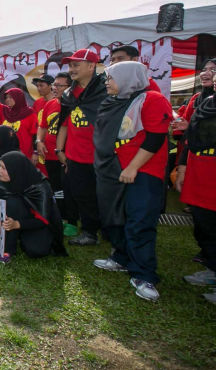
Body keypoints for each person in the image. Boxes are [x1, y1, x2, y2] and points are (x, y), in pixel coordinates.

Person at [92, 62, 171, 302]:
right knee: (115, 216)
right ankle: (121, 257)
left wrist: (133, 167)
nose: (107, 83)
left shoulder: (152, 100)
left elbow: (156, 138)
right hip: (113, 170)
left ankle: (144, 274)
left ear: (127, 78)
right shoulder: (113, 102)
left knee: (139, 221)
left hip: (142, 171)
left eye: (111, 78)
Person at [55, 49, 108, 246]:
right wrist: (60, 150)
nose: (72, 69)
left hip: (102, 155)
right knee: (82, 195)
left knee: (106, 196)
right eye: (70, 65)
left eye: (76, 65)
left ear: (91, 66)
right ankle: (89, 232)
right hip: (75, 155)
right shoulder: (68, 94)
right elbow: (63, 124)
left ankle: (110, 230)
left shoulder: (106, 89)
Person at [175, 75, 216, 304]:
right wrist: (182, 167)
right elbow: (191, 139)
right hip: (200, 168)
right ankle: (212, 269)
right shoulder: (207, 102)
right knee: (203, 223)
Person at [0, 151, 67, 263]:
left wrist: (17, 224)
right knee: (13, 202)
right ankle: (9, 248)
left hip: (36, 222)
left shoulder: (40, 187)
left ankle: (22, 235)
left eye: (4, 168)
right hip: (16, 215)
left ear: (16, 170)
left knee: (37, 251)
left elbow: (43, 220)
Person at [35, 72, 78, 235]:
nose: (55, 88)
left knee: (70, 187)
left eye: (59, 85)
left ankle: (72, 220)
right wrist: (39, 141)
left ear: (70, 87)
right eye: (54, 85)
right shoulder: (50, 104)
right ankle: (60, 217)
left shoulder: (73, 105)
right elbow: (42, 126)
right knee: (56, 188)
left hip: (67, 155)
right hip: (49, 154)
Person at [0, 87, 38, 158]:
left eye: (11, 97)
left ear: (19, 98)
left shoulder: (29, 113)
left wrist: (35, 152)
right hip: (5, 154)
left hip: (23, 154)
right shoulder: (4, 111)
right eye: (6, 98)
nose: (7, 100)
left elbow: (35, 134)